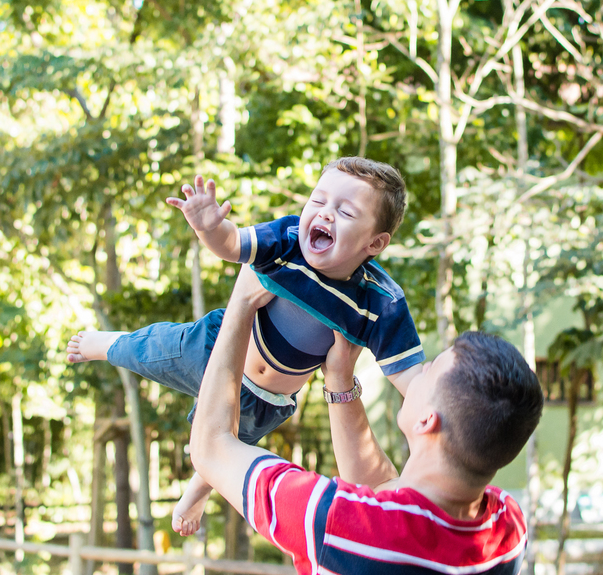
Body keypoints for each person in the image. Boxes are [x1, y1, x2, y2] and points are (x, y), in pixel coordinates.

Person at [66, 157, 424, 534]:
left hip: (267, 399)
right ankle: (104, 344)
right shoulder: (287, 241)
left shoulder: (379, 302)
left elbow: (411, 378)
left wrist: (438, 422)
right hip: (215, 347)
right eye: (318, 202)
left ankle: (197, 492)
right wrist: (210, 228)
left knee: (230, 446)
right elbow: (234, 244)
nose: (326, 214)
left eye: (346, 211)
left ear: (376, 242)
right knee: (153, 349)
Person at [192, 265, 545, 574]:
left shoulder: (332, 522)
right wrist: (340, 380)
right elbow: (385, 497)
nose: (417, 374)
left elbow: (210, 449)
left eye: (430, 370)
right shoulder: (506, 531)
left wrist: (241, 303)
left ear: (427, 421)